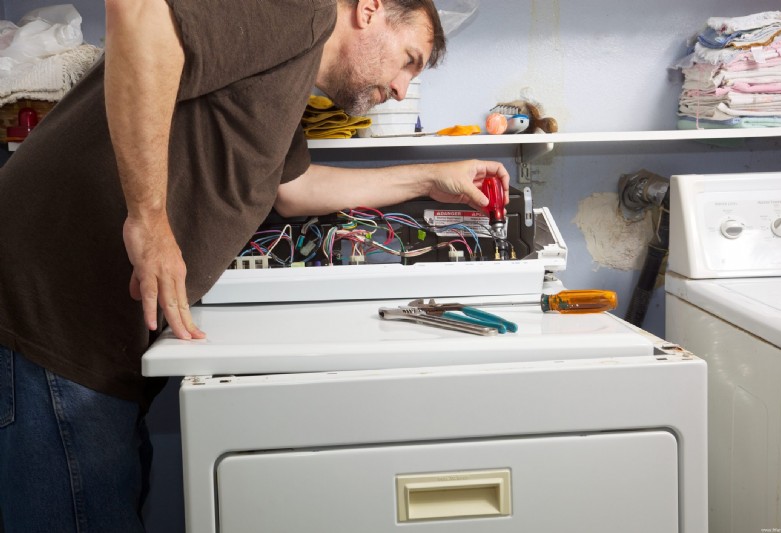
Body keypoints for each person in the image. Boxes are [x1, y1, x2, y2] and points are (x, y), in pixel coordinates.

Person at [0, 0, 510, 531]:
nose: (404, 88)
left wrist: (431, 178)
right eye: (408, 59)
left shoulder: (289, 73)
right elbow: (140, 12)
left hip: (95, 329)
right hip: (49, 307)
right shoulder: (303, 12)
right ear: (369, 9)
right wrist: (149, 219)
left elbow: (294, 190)